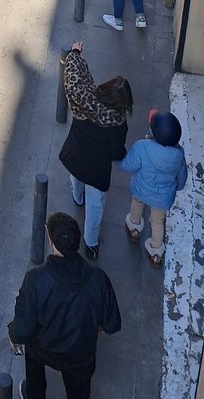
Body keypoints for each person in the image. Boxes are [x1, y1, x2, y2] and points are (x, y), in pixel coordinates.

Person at [8, 211, 121, 399]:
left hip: (43, 349)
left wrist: (13, 332)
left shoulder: (36, 279)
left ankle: (34, 393)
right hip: (81, 354)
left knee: (32, 355)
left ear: (51, 241)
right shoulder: (98, 279)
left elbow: (24, 326)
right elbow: (111, 324)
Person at [58, 43, 132, 257]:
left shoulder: (84, 100)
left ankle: (76, 197)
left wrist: (75, 54)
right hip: (97, 171)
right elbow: (117, 152)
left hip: (75, 156)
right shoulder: (118, 124)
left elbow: (73, 77)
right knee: (95, 207)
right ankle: (90, 244)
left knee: (76, 181)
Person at [119, 109, 188, 269]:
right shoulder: (179, 155)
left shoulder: (143, 146)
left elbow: (128, 165)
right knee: (158, 221)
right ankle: (156, 252)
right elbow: (182, 179)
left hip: (142, 189)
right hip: (163, 198)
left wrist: (118, 162)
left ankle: (134, 228)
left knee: (137, 205)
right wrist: (177, 187)